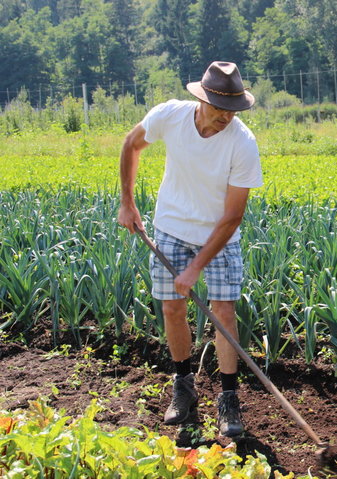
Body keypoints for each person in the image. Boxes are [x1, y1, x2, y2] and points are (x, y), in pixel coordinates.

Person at [117, 61, 263, 437]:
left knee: (224, 312)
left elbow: (232, 217)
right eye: (218, 109)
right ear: (201, 99)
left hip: (219, 237)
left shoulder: (243, 143)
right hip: (171, 228)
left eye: (232, 111)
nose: (225, 118)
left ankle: (228, 398)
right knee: (172, 307)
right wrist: (128, 203)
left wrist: (196, 266)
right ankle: (184, 386)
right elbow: (131, 144)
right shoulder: (170, 116)